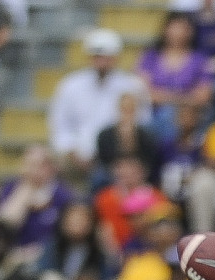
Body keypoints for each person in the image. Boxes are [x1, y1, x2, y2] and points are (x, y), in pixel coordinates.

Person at [47, 28, 147, 173]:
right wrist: (72, 153)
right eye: (97, 56)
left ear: (116, 57)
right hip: (77, 154)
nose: (101, 62)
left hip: (119, 155)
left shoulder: (131, 86)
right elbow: (60, 126)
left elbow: (141, 123)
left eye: (106, 57)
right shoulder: (70, 85)